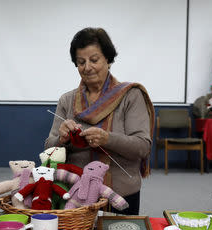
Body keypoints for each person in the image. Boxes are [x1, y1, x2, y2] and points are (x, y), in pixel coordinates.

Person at [45, 27, 154, 215]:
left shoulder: (131, 96)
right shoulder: (67, 100)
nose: (87, 67)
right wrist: (61, 139)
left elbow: (142, 147)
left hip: (120, 195)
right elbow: (48, 149)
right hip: (74, 195)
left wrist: (107, 139)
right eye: (81, 62)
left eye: (94, 60)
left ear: (108, 60)